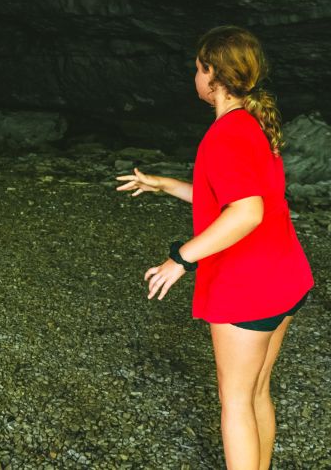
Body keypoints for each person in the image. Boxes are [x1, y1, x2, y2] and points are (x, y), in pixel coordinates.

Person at [116, 26, 313, 470]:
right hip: (285, 276)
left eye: (198, 67)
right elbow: (230, 199)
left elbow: (246, 213)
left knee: (236, 402)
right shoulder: (252, 123)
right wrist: (165, 184)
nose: (195, 75)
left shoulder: (225, 135)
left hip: (249, 285)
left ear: (213, 76)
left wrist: (180, 259)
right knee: (257, 390)